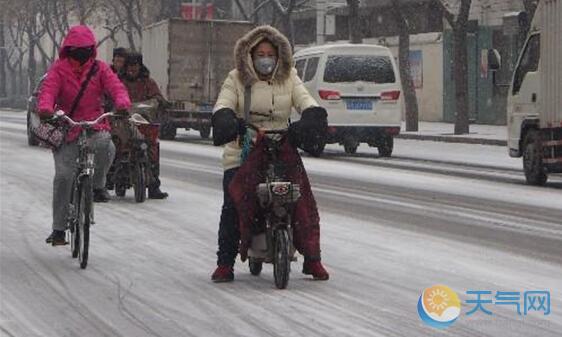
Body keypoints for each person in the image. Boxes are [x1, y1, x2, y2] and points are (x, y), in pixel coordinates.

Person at [210, 25, 330, 282]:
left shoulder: (290, 77)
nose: (266, 59)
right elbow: (223, 104)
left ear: (279, 57)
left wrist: (311, 117)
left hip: (280, 148)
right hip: (245, 151)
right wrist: (227, 120)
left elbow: (305, 100)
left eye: (270, 54)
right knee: (234, 203)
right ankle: (225, 263)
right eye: (260, 54)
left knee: (302, 201)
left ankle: (313, 259)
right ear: (250, 56)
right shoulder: (236, 79)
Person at [38, 25, 131, 245]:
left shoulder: (100, 69)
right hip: (66, 128)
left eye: (85, 50)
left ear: (91, 50)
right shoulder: (59, 69)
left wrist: (122, 104)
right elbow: (48, 91)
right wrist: (46, 109)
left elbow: (116, 88)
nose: (80, 54)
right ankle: (59, 229)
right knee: (63, 177)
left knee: (107, 147)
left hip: (93, 125)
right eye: (76, 50)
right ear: (68, 50)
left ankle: (98, 185)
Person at [117, 52, 168, 199]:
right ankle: (110, 178)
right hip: (123, 124)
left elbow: (158, 97)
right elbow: (109, 95)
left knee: (152, 148)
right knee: (115, 145)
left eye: (135, 66)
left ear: (140, 67)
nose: (132, 69)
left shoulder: (148, 83)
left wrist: (158, 103)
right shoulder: (119, 82)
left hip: (144, 123)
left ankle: (153, 186)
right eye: (129, 66)